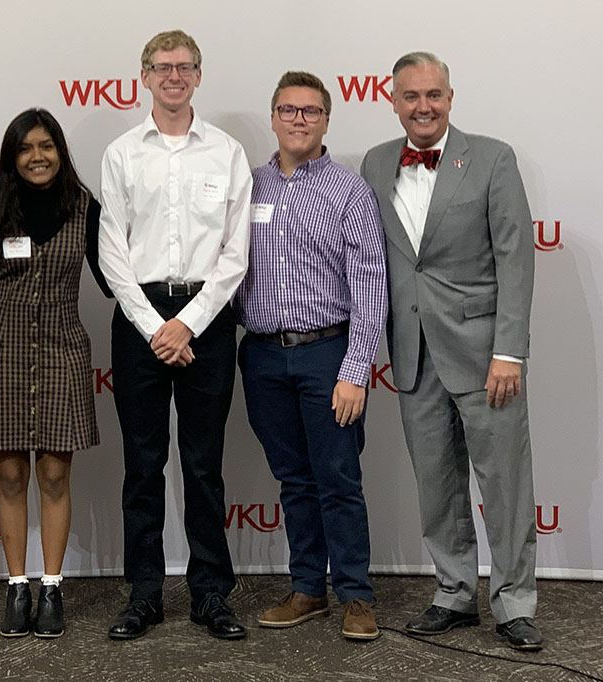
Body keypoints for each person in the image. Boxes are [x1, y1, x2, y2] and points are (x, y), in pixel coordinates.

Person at [360, 52, 540, 650]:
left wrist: (509, 350)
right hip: (413, 354)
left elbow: (515, 257)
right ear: (393, 102)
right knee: (436, 484)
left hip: (486, 354)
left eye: (433, 94)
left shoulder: (492, 157)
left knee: (505, 485)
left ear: (451, 97)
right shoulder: (376, 162)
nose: (424, 106)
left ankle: (514, 602)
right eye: (411, 96)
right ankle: (454, 592)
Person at [98, 29, 251, 641]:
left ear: (198, 75)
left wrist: (187, 323)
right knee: (142, 464)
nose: (174, 76)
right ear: (145, 76)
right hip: (140, 316)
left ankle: (210, 592)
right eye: (163, 67)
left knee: (204, 464)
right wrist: (156, 326)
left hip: (205, 319)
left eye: (184, 66)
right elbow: (112, 255)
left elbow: (235, 253)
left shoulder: (227, 152)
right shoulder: (121, 154)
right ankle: (144, 594)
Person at [235, 71, 387, 641]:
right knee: (294, 480)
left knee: (338, 478)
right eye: (288, 110)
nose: (299, 119)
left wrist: (355, 371)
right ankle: (307, 588)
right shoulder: (247, 187)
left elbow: (371, 286)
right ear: (273, 117)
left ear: (326, 120)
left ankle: (355, 594)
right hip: (262, 357)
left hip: (328, 353)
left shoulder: (349, 190)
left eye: (310, 111)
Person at [0, 108, 112, 639]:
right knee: (10, 477)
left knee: (54, 476)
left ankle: (51, 587)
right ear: (13, 157)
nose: (37, 156)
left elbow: (113, 279)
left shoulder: (85, 208)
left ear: (60, 151)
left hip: (63, 350)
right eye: (25, 148)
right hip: (1, 349)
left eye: (46, 146)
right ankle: (17, 586)